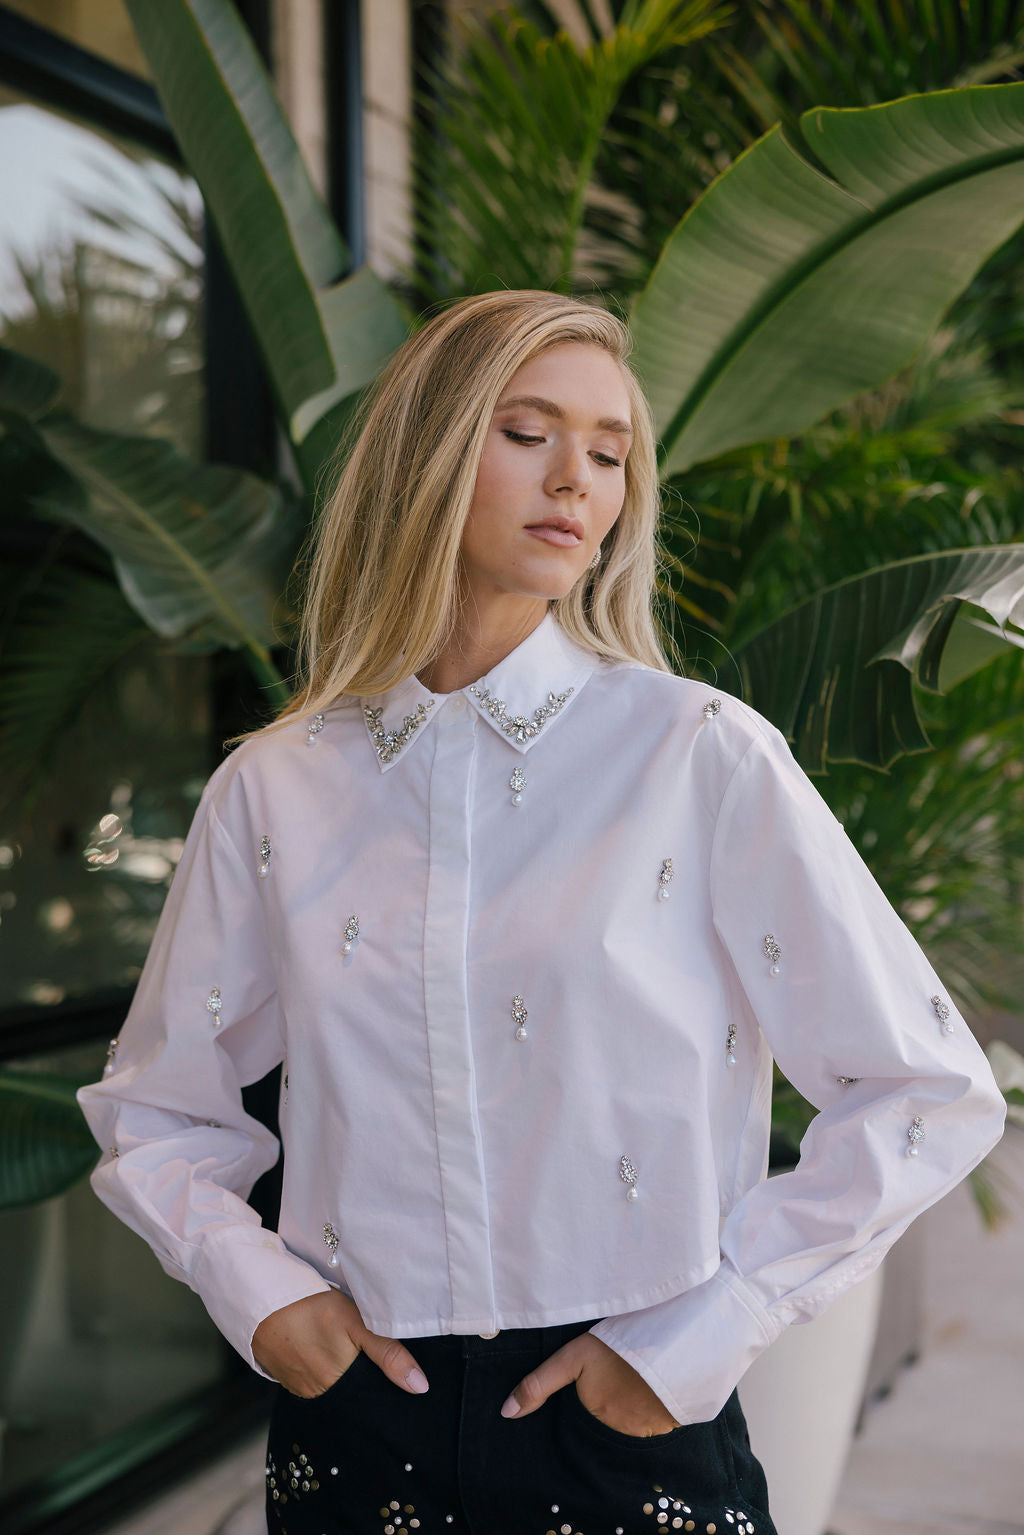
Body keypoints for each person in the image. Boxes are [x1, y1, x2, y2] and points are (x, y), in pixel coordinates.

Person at [77, 289, 1006, 1535]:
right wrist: (261, 1297)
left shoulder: (698, 754)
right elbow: (156, 1102)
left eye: (611, 452)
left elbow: (927, 1088)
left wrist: (705, 1330)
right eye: (528, 433)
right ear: (428, 454)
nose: (578, 477)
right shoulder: (277, 784)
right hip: (356, 1420)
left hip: (626, 1414)